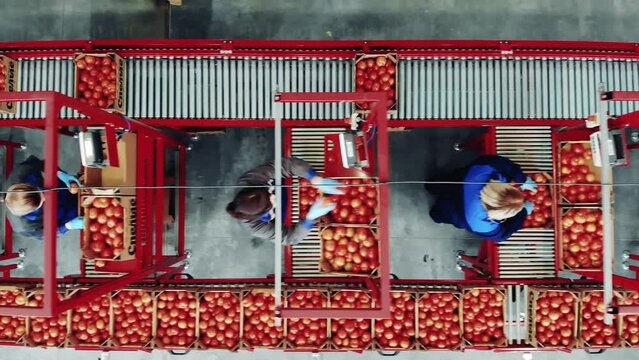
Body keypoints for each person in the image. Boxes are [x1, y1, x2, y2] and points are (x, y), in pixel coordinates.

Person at [226, 157, 343, 245]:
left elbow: (286, 166)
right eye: (271, 203)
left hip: (290, 184)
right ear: (261, 215)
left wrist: (315, 178)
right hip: (287, 215)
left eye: (269, 194)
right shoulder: (252, 226)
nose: (274, 198)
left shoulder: (249, 181)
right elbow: (289, 237)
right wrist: (309, 219)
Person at [427, 155, 537, 242]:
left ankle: (430, 184)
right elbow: (502, 235)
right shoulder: (481, 223)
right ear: (496, 214)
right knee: (442, 213)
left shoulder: (486, 170)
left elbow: (502, 164)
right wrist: (523, 212)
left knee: (443, 182)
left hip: (459, 180)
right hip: (455, 212)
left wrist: (520, 179)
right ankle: (436, 215)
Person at [3, 156, 84, 240]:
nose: (45, 198)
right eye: (41, 202)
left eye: (40, 191)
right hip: (62, 213)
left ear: (27, 184)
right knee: (82, 214)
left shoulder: (22, 172)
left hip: (58, 188)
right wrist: (68, 226)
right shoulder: (24, 226)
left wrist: (59, 173)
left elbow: (39, 163)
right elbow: (47, 234)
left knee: (80, 185)